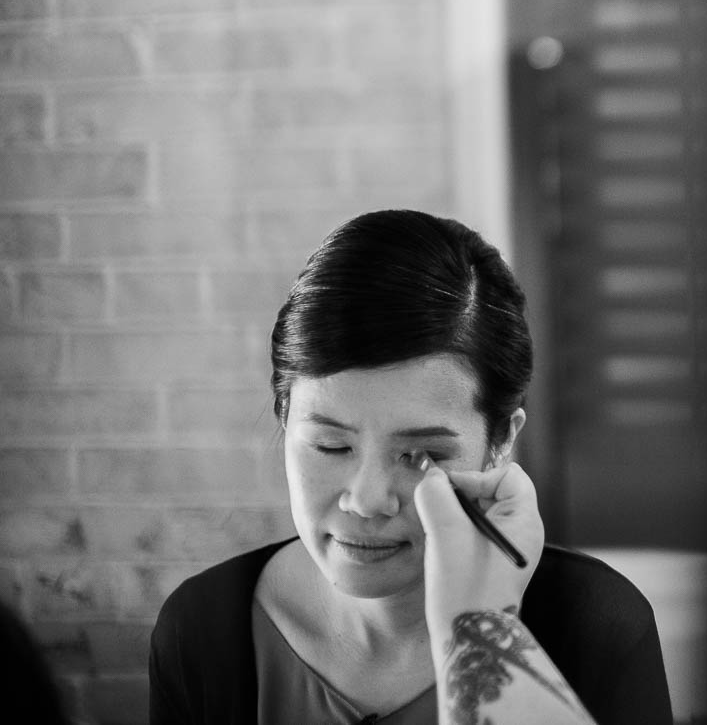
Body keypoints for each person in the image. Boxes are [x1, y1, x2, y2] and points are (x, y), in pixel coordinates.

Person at [149, 209, 674, 725]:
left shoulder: (599, 628)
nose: (369, 499)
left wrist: (482, 633)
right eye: (331, 446)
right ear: (285, 419)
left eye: (421, 456)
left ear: (500, 441)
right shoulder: (199, 631)